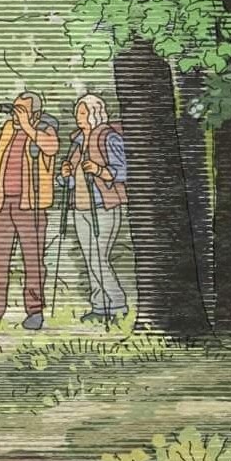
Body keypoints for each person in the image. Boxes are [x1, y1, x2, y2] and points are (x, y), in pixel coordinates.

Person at [0, 92, 59, 331]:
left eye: (21, 110)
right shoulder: (5, 131)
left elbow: (51, 148)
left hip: (31, 205)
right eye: (14, 109)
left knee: (33, 259)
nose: (15, 114)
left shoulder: (45, 130)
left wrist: (29, 127)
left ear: (36, 113)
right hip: (1, 203)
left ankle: (35, 311)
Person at [63, 93, 130, 322]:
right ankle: (100, 306)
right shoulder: (79, 142)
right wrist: (65, 175)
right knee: (90, 257)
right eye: (77, 113)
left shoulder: (108, 137)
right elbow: (71, 179)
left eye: (82, 113)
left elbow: (123, 171)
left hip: (104, 206)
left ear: (94, 113)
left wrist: (99, 170)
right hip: (80, 207)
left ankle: (118, 304)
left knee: (98, 257)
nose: (78, 117)